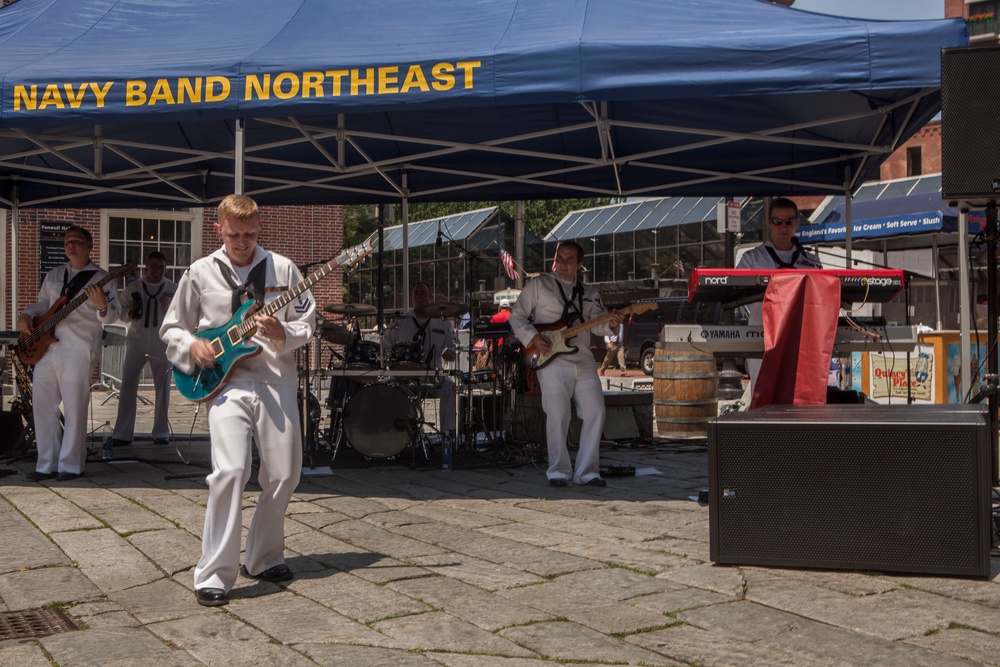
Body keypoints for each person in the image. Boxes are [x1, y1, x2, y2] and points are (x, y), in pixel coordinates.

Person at [160, 194, 316, 607]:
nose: (242, 242)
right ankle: (212, 573)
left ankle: (263, 557)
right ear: (219, 229)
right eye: (234, 235)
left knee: (285, 474)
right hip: (224, 385)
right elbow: (172, 328)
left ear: (259, 227)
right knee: (230, 470)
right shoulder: (199, 272)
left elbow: (306, 323)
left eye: (249, 234)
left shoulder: (283, 269)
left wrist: (287, 336)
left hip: (276, 379)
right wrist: (192, 345)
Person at [509, 241, 624, 487]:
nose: (562, 263)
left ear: (579, 264)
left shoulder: (590, 292)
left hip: (582, 358)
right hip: (551, 359)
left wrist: (612, 323)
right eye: (559, 258)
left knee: (596, 411)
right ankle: (558, 470)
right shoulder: (539, 284)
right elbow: (516, 315)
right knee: (558, 415)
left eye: (569, 259)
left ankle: (588, 472)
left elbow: (599, 323)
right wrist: (533, 337)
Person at [17, 225, 121, 482]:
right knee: (42, 406)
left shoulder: (102, 277)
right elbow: (43, 304)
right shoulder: (53, 274)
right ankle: (46, 463)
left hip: (78, 348)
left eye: (75, 241)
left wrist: (102, 307)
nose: (70, 246)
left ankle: (72, 465)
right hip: (48, 347)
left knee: (74, 408)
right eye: (66, 242)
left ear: (89, 246)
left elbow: (115, 315)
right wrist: (27, 314)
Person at [736, 197, 823, 393]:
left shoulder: (811, 261)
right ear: (768, 223)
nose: (783, 227)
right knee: (763, 396)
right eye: (777, 222)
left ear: (797, 223)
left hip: (801, 341)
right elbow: (737, 295)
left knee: (799, 398)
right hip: (762, 340)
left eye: (788, 222)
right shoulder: (751, 260)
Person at [109, 251, 176, 447]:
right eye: (154, 266)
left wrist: (169, 308)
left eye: (161, 267)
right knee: (128, 384)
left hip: (161, 342)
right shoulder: (134, 287)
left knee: (163, 386)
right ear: (147, 266)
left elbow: (183, 315)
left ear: (165, 267)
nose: (157, 270)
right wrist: (132, 309)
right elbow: (121, 315)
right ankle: (122, 432)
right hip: (137, 341)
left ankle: (161, 431)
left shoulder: (173, 288)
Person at [381, 281, 457, 436]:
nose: (419, 296)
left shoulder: (443, 322)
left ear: (431, 297)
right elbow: (385, 346)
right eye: (416, 293)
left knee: (449, 386)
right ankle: (395, 434)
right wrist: (391, 360)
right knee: (385, 387)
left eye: (423, 293)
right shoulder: (400, 320)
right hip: (404, 376)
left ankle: (447, 434)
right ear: (411, 298)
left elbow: (453, 345)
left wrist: (450, 352)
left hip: (433, 375)